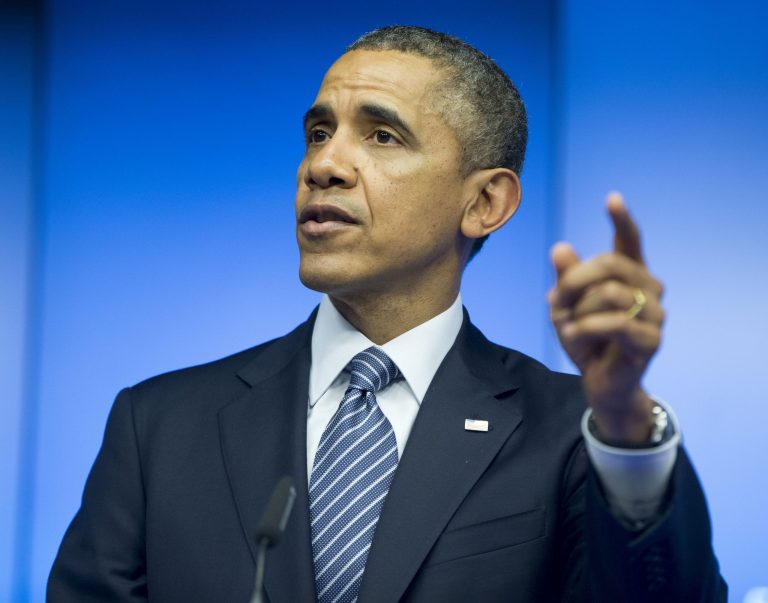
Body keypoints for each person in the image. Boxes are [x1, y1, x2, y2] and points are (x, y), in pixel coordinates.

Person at [48, 26, 726, 602]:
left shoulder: (574, 435)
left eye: (381, 136)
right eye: (318, 133)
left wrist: (625, 420)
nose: (325, 164)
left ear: (486, 202)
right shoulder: (159, 427)